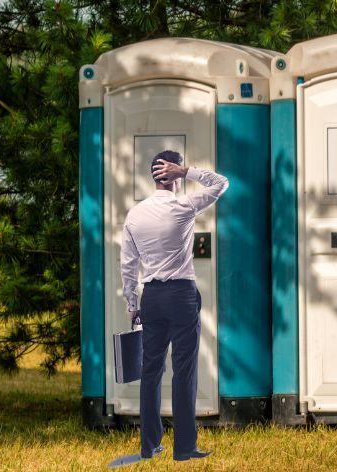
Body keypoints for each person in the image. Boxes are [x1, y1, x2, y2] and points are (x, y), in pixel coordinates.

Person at [120, 150, 229, 462]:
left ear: (153, 176)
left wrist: (132, 303)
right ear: (172, 175)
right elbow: (220, 183)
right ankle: (183, 448)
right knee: (184, 370)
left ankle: (149, 446)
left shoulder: (135, 215)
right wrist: (187, 171)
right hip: (181, 295)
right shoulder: (184, 205)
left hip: (150, 297)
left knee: (150, 371)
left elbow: (128, 265)